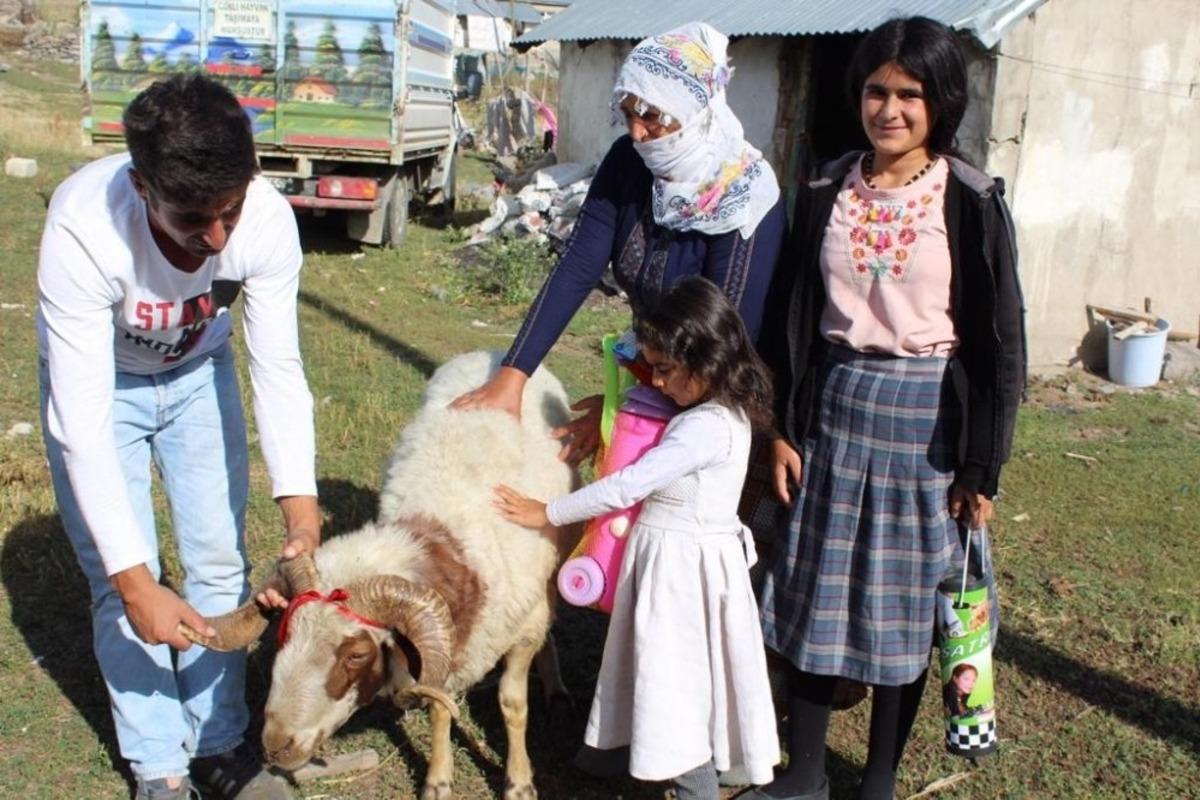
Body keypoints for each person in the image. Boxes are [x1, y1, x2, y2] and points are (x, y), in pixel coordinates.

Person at [750, 17, 1025, 800]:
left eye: (911, 94)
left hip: (927, 422)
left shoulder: (970, 199)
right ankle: (805, 775)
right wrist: (782, 430)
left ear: (942, 102)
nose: (891, 109)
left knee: (903, 609)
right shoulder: (824, 188)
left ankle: (877, 781)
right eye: (877, 91)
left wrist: (981, 468)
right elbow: (789, 319)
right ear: (858, 95)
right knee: (816, 591)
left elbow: (1000, 344)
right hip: (833, 409)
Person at [36, 74, 320, 800]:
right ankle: (159, 764)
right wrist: (137, 584)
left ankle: (219, 745)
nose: (217, 238)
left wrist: (300, 508)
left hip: (198, 372)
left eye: (230, 211)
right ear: (141, 187)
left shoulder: (266, 221)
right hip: (107, 387)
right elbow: (83, 426)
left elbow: (277, 366)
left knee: (219, 560)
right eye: (193, 219)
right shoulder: (84, 227)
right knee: (121, 582)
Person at [494, 277, 781, 800]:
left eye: (666, 370)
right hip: (677, 566)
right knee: (649, 664)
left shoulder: (706, 427)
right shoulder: (716, 411)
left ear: (706, 359)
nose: (659, 382)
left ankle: (692, 784)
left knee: (672, 684)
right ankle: (616, 753)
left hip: (679, 575)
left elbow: (627, 485)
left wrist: (548, 512)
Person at [453, 21, 785, 466]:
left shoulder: (742, 197)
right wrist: (512, 377)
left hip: (713, 403)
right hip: (656, 375)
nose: (637, 133)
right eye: (628, 114)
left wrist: (623, 411)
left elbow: (723, 345)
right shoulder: (629, 164)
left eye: (652, 116)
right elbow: (577, 266)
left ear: (694, 109)